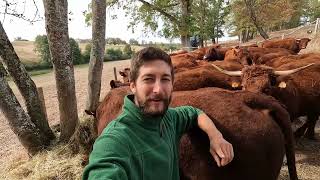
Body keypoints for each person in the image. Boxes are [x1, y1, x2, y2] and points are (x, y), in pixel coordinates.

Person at [82, 47, 234, 180]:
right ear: (133, 86)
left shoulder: (169, 118)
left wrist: (216, 136)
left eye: (165, 79)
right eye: (148, 79)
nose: (158, 89)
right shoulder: (114, 141)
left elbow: (194, 113)